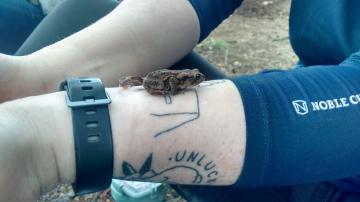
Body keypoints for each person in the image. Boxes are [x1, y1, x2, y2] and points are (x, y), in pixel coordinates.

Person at [0, 0, 360, 201]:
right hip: (279, 135)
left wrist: (53, 140)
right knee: (90, 10)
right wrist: (32, 77)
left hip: (331, 155)